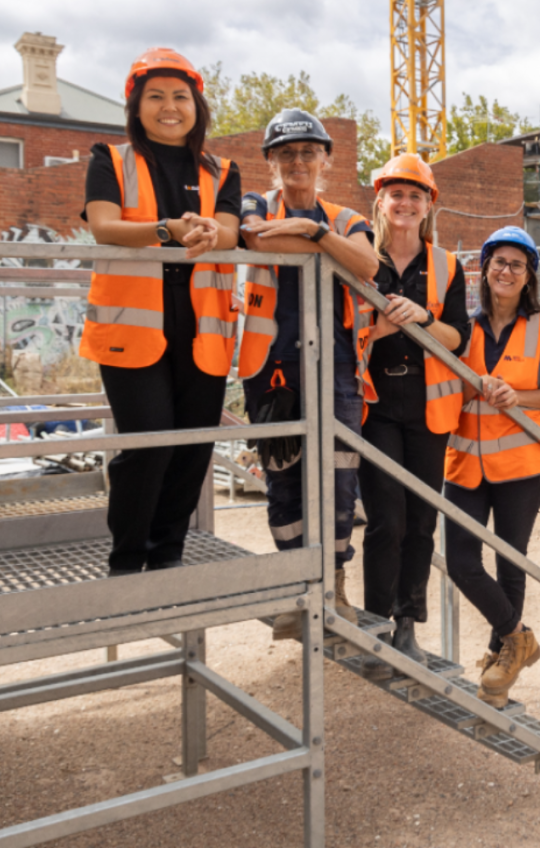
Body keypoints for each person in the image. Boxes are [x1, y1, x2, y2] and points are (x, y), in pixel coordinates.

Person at [81, 48, 241, 576]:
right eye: (155, 96)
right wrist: (166, 231)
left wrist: (207, 232)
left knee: (193, 445)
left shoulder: (222, 170)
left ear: (196, 104)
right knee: (149, 443)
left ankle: (168, 553)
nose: (169, 107)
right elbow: (103, 226)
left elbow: (231, 231)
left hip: (201, 325)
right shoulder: (110, 158)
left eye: (180, 96)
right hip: (133, 323)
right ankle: (128, 558)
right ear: (135, 105)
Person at [237, 108, 380, 639]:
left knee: (339, 479)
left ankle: (332, 586)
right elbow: (256, 239)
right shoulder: (253, 204)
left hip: (336, 364)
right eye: (286, 154)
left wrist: (312, 229)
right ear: (271, 161)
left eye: (308, 153)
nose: (298, 162)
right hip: (271, 366)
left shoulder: (342, 218)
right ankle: (296, 590)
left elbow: (366, 265)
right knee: (283, 480)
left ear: (325, 159)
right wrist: (319, 241)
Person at [441, 226, 540, 707]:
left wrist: (519, 397)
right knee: (461, 562)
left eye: (517, 264)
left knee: (510, 564)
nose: (506, 271)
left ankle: (500, 666)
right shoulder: (463, 327)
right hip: (465, 465)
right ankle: (519, 640)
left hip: (522, 466)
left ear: (528, 275)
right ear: (485, 268)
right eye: (499, 261)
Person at [358, 153, 470, 662]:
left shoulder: (445, 266)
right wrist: (375, 330)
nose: (405, 203)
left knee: (422, 521)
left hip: (429, 410)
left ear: (429, 206)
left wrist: (422, 317)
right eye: (396, 193)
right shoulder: (361, 257)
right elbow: (343, 330)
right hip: (376, 405)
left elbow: (459, 340)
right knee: (387, 519)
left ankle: (408, 624)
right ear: (380, 199)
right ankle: (375, 620)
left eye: (415, 195)